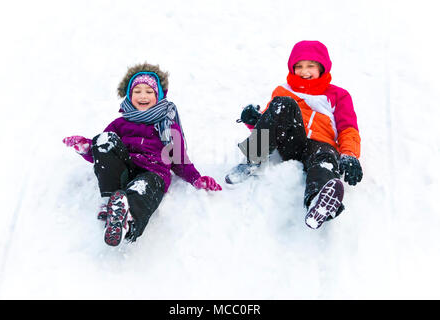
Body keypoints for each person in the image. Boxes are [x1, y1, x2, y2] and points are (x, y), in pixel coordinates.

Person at [63, 62, 222, 246]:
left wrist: (197, 178)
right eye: (137, 91)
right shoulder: (120, 123)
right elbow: (103, 153)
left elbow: (179, 160)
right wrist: (87, 147)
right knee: (105, 138)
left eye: (149, 91)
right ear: (130, 96)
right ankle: (111, 201)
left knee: (143, 189)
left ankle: (127, 220)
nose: (142, 96)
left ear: (159, 95)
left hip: (153, 173)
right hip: (125, 167)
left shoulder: (169, 125)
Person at [226, 40, 363, 229]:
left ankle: (318, 202)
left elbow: (348, 128)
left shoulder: (338, 95)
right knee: (283, 104)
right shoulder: (283, 90)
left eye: (310, 66)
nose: (304, 71)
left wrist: (349, 154)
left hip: (320, 145)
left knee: (326, 159)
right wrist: (253, 120)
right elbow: (272, 121)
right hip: (292, 140)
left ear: (322, 67)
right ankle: (251, 159)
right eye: (299, 66)